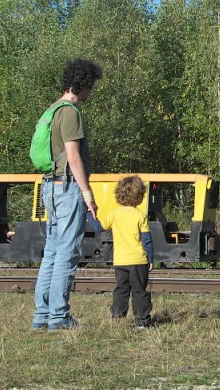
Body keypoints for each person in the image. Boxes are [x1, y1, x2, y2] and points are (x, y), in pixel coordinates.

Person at [32, 58, 103, 331]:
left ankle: (42, 315)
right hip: (67, 186)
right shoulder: (70, 112)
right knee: (66, 253)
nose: (92, 92)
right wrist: (87, 194)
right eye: (91, 86)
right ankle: (59, 317)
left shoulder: (51, 110)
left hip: (49, 186)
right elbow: (73, 156)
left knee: (51, 251)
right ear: (82, 84)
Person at [98, 175, 154, 328]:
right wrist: (151, 259)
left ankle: (117, 317)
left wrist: (89, 213)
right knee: (139, 291)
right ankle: (141, 321)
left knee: (121, 289)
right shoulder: (141, 216)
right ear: (140, 196)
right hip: (138, 261)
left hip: (120, 261)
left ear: (119, 195)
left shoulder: (114, 214)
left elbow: (99, 227)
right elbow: (147, 240)